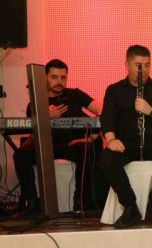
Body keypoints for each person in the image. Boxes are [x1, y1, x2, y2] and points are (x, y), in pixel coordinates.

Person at [97, 45, 152, 229]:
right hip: (125, 142)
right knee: (106, 160)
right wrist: (111, 140)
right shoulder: (114, 90)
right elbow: (107, 120)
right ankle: (129, 206)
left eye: (147, 65)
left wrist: (150, 111)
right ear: (127, 65)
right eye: (138, 65)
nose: (143, 69)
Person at [14, 59, 102, 214]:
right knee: (21, 155)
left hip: (73, 145)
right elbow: (33, 132)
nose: (59, 81)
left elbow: (103, 112)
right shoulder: (36, 102)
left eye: (63, 77)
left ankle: (82, 202)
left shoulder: (75, 94)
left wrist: (90, 138)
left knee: (85, 149)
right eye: (54, 77)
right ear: (45, 77)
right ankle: (32, 202)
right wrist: (45, 116)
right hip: (47, 147)